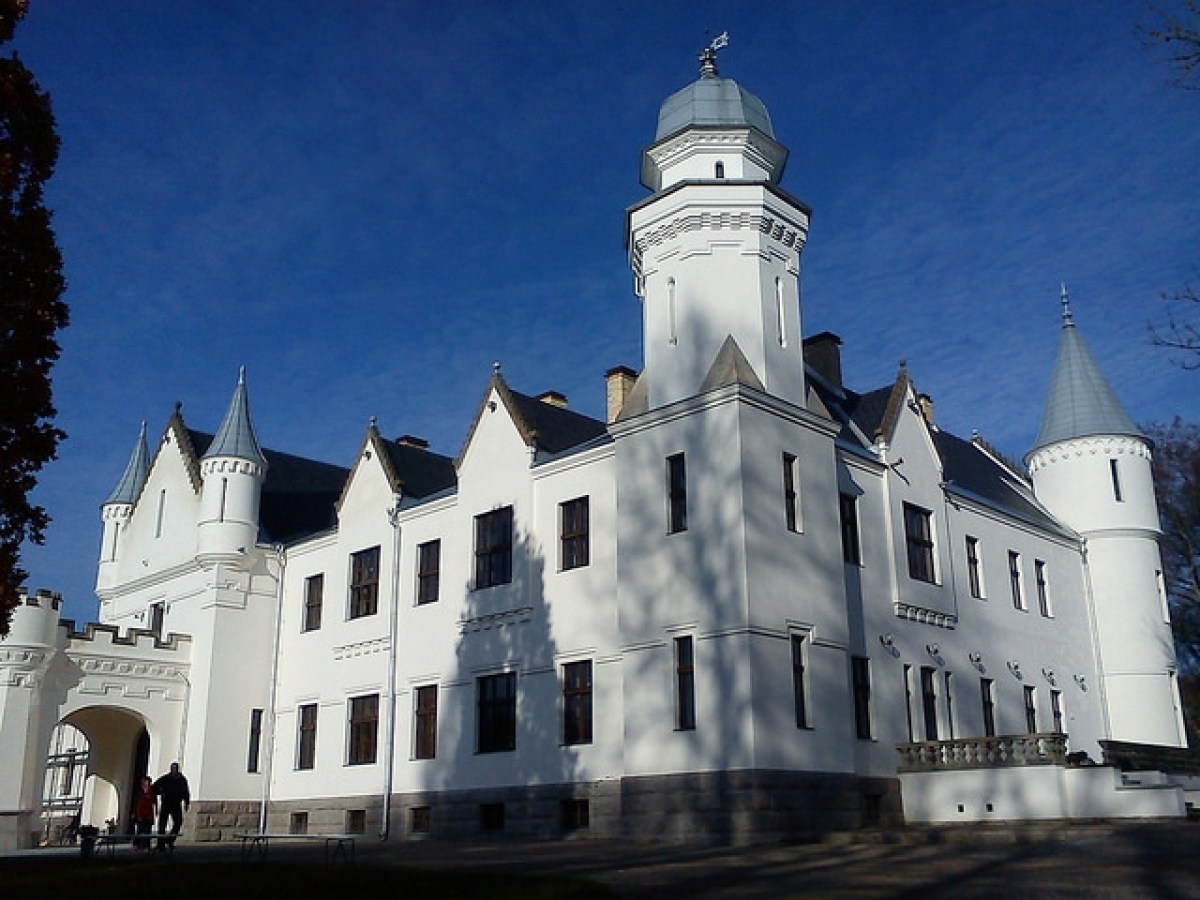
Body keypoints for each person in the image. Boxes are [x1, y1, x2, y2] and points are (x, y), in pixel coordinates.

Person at [152, 762, 190, 851]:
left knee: (178, 822)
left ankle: (170, 840)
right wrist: (160, 793)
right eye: (172, 768)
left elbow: (185, 791)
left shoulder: (182, 779)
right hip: (166, 803)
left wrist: (186, 802)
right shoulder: (165, 778)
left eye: (175, 768)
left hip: (176, 804)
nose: (174, 770)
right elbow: (154, 787)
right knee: (162, 824)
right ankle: (160, 844)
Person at [132, 776, 156, 851]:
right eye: (144, 782)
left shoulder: (151, 791)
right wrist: (136, 814)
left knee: (147, 831)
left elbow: (153, 802)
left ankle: (146, 846)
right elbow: (137, 804)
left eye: (147, 782)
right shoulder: (140, 792)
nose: (146, 783)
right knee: (140, 830)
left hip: (148, 814)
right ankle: (136, 845)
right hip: (140, 814)